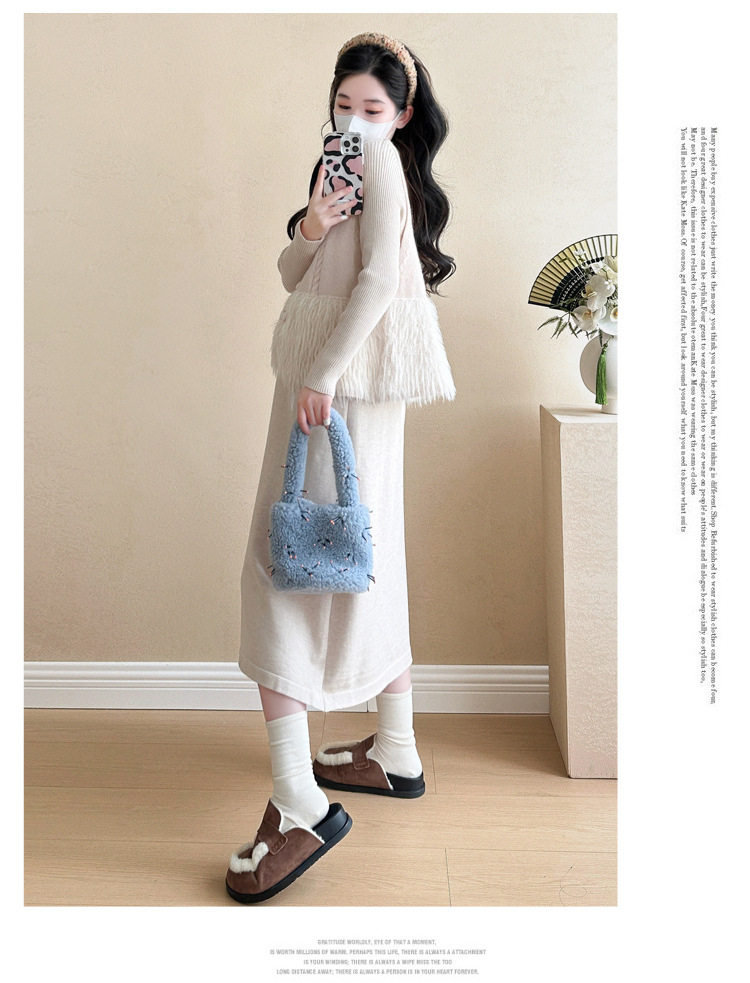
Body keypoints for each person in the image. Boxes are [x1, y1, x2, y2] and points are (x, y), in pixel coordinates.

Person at [225, 31, 456, 904]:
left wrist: (320, 375)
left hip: (338, 385)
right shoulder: (345, 169)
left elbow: (379, 283)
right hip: (346, 383)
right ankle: (395, 749)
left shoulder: (383, 162)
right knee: (364, 553)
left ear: (401, 115)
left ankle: (297, 799)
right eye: (344, 104)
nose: (355, 121)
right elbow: (299, 274)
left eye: (372, 109)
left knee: (280, 563)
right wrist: (311, 225)